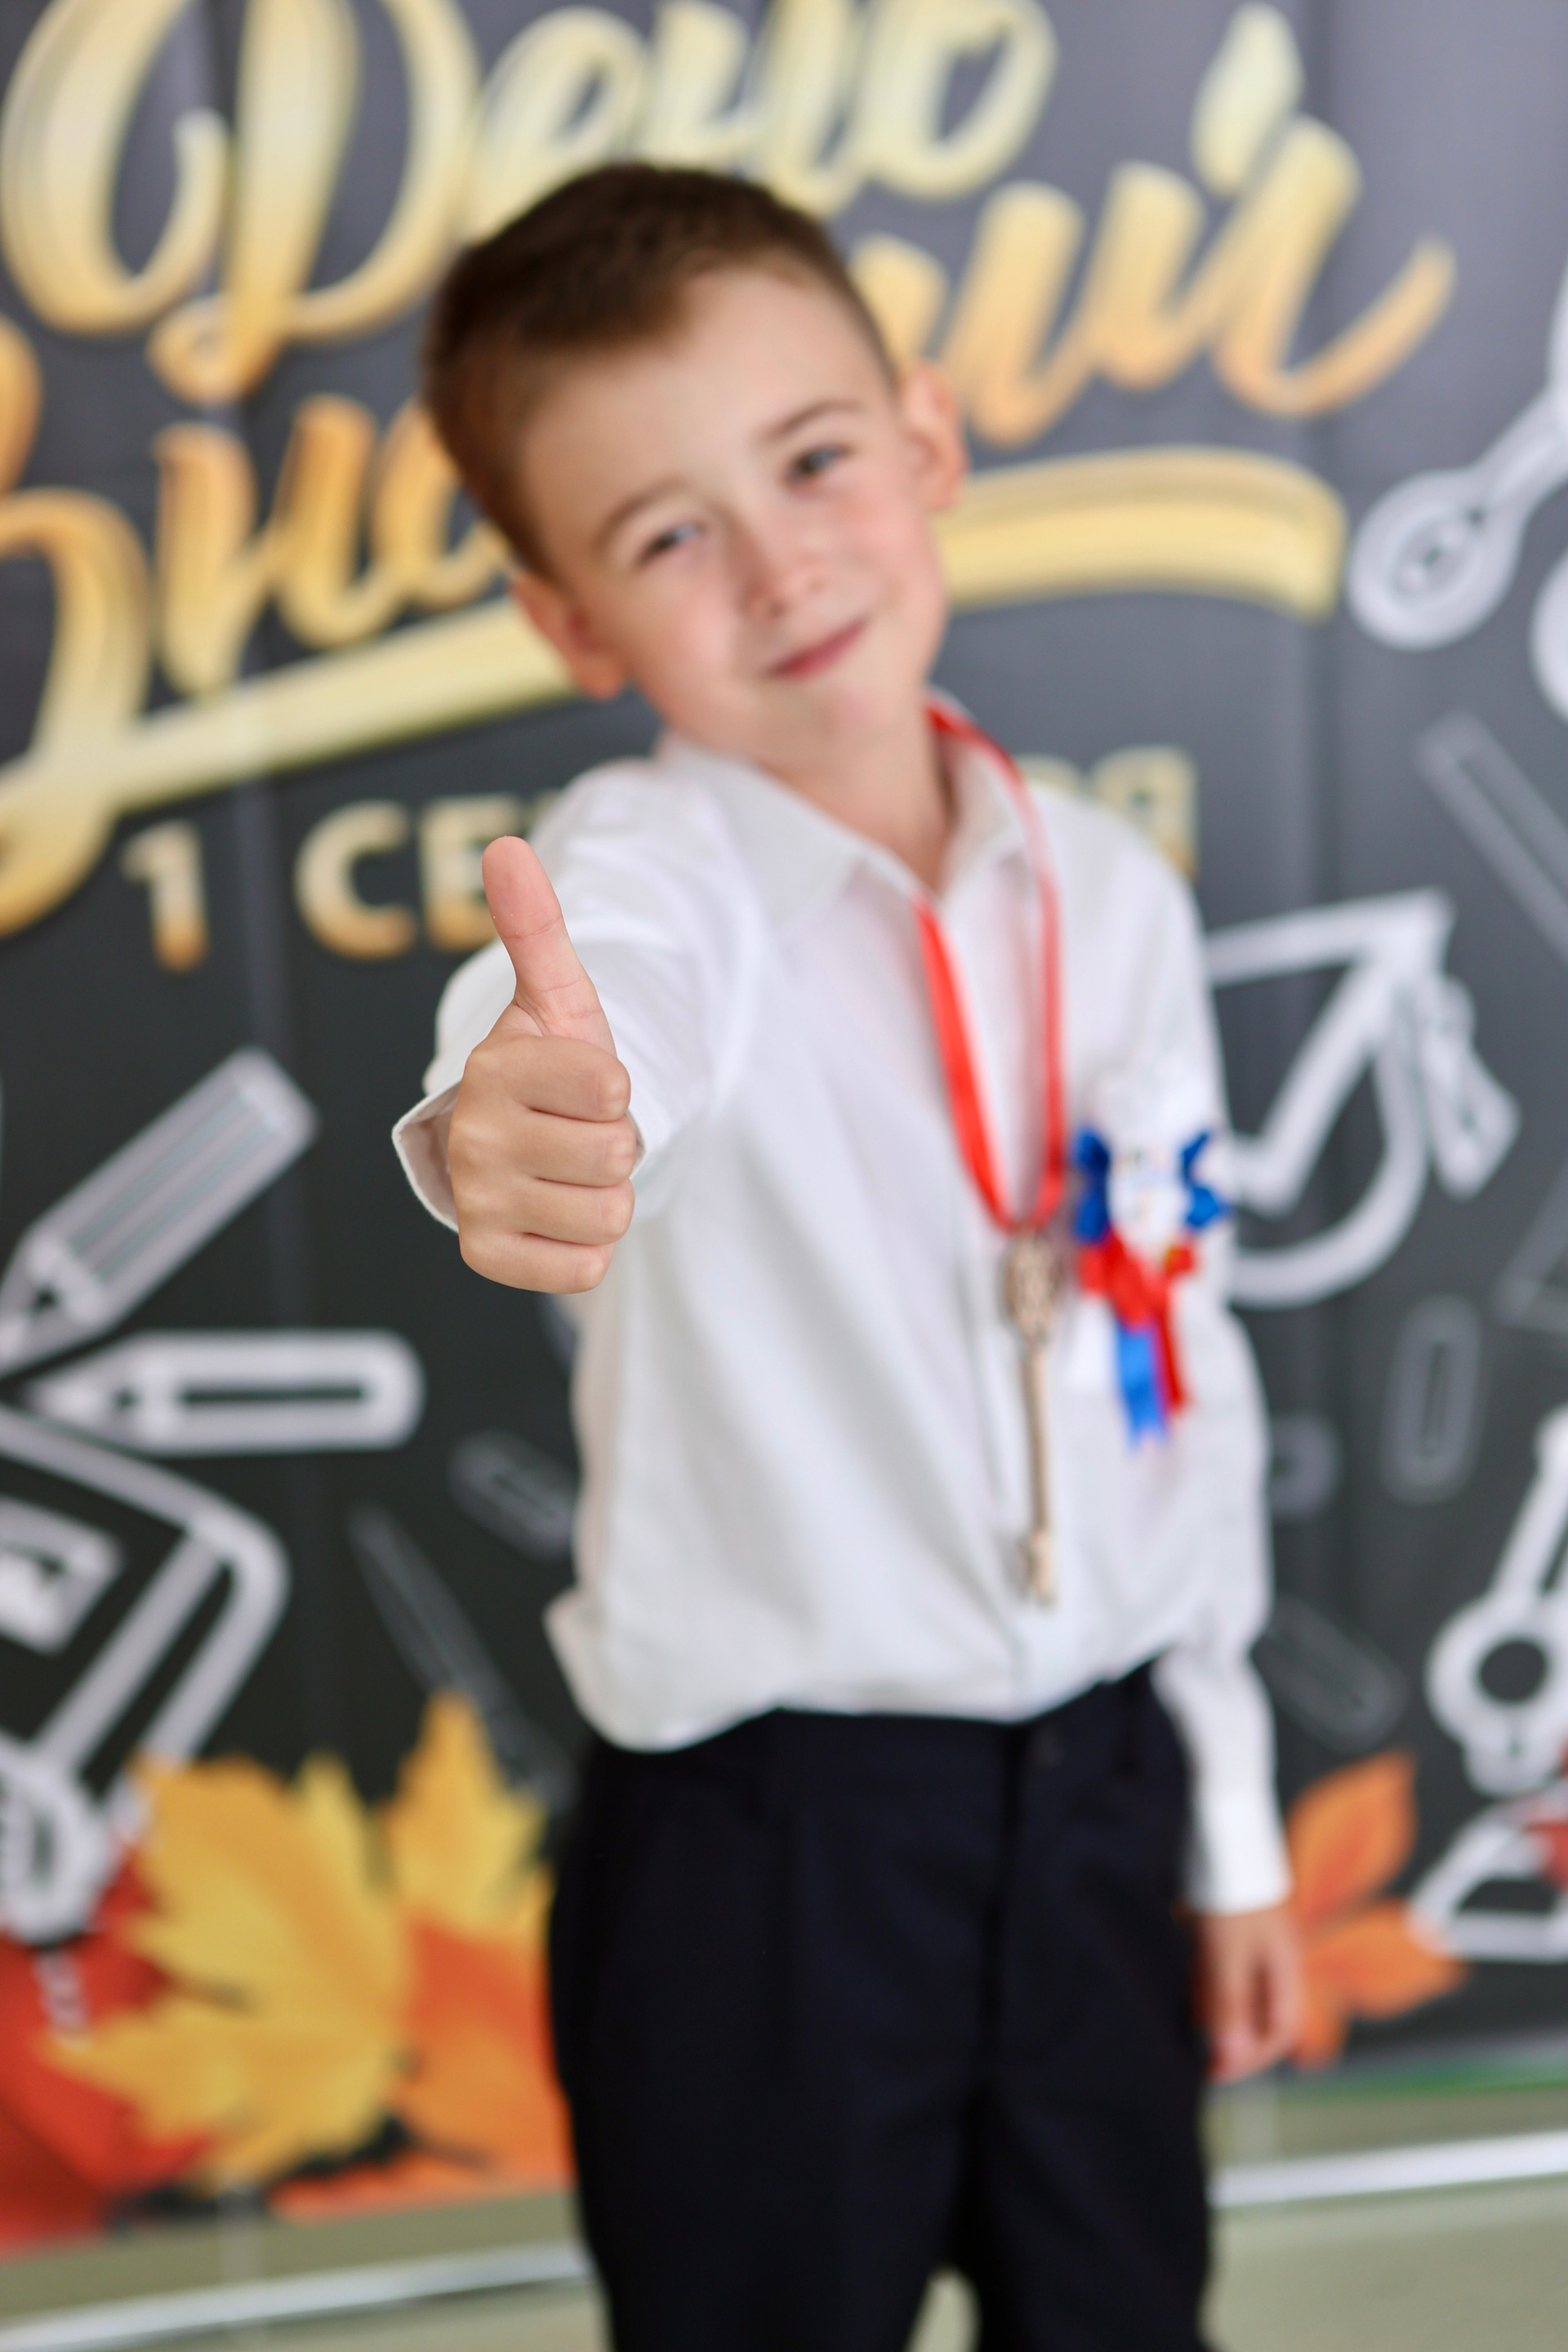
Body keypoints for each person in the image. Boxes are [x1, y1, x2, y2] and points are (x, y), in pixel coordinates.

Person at [393, 162, 1302, 2352]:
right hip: (771, 1856)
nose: (781, 563)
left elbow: (1178, 1369)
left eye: (812, 462)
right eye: (666, 535)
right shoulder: (653, 876)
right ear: (571, 626)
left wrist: (1232, 1820)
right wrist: (530, 1099)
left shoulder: (1111, 897)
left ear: (927, 443)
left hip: (1103, 1796)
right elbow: (602, 992)